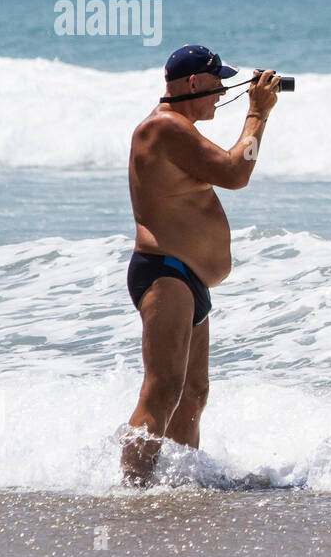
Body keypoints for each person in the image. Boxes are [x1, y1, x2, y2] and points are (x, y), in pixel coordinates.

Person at [120, 44, 282, 486]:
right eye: (216, 84)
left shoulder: (181, 129)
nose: (221, 92)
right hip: (165, 273)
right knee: (164, 390)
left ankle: (179, 485)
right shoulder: (164, 127)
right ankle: (133, 490)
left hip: (189, 281)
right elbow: (235, 173)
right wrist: (257, 112)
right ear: (194, 83)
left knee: (192, 395)